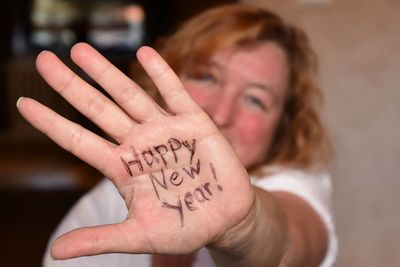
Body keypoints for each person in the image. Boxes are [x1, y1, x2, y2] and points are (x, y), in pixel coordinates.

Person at [17, 4, 337, 267]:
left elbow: (288, 245)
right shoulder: (112, 196)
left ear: (282, 129)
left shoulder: (292, 182)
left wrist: (245, 227)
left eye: (256, 99)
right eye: (207, 77)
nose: (221, 114)